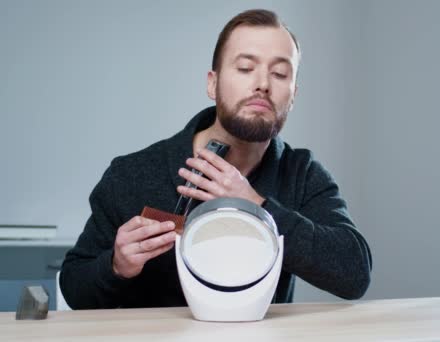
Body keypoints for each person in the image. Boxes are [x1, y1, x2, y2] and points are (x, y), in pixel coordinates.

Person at [60, 8, 372, 309]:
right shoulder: (132, 174)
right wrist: (116, 265)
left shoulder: (302, 174)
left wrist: (257, 207)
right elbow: (75, 289)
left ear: (293, 95)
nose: (263, 83)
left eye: (279, 73)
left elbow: (354, 275)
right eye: (246, 68)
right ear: (212, 83)